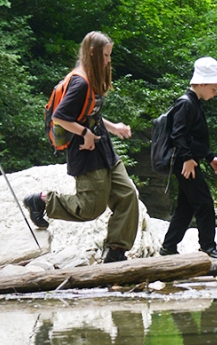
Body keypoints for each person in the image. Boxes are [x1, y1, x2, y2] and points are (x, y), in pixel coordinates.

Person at [23, 31, 139, 264]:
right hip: (86, 153)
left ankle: (115, 251)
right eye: (105, 55)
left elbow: (89, 113)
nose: (108, 60)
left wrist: (113, 127)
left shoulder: (92, 78)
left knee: (127, 196)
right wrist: (85, 133)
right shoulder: (80, 81)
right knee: (89, 209)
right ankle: (42, 201)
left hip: (104, 148)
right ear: (93, 53)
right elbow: (61, 116)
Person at [159, 57, 217, 260]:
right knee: (204, 203)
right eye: (214, 89)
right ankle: (208, 246)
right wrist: (188, 158)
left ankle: (168, 246)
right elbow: (177, 134)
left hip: (188, 160)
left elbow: (193, 137)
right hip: (184, 163)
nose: (215, 94)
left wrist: (209, 157)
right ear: (201, 83)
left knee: (186, 206)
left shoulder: (195, 104)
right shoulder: (185, 103)